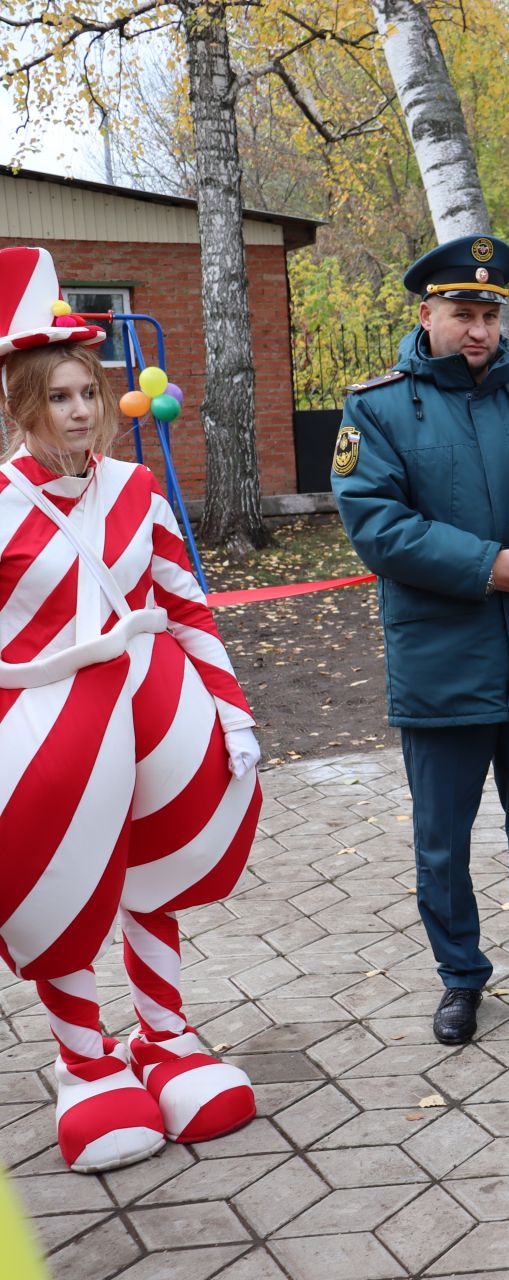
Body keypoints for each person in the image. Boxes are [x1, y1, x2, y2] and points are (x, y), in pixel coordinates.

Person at [0, 246, 261, 1173]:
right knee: (58, 889)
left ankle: (167, 1037)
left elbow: (188, 605)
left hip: (150, 707)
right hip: (39, 730)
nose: (79, 412)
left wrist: (231, 711)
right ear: (22, 405)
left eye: (88, 394)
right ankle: (86, 1063)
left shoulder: (135, 490)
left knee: (152, 877)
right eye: (59, 396)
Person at [333, 236, 509, 1046]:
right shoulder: (378, 407)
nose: (479, 328)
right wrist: (485, 567)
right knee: (443, 838)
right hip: (440, 657)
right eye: (463, 312)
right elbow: (377, 524)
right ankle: (462, 977)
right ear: (427, 315)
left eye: (490, 312)